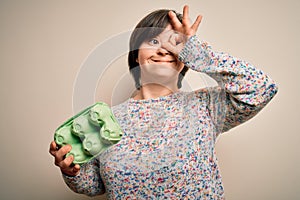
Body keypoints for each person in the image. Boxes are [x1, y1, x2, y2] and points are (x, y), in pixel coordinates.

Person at [49, 5, 278, 199]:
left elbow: (261, 88)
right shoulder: (108, 120)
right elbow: (95, 186)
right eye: (154, 40)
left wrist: (197, 52)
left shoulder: (206, 105)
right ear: (136, 53)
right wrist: (72, 171)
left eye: (175, 43)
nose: (164, 50)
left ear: (185, 58)